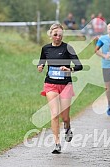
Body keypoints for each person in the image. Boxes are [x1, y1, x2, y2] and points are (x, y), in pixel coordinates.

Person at [37, 23, 83, 154]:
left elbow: (79, 66)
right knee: (54, 114)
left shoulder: (68, 48)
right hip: (50, 84)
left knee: (65, 117)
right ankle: (57, 143)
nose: (58, 37)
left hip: (65, 85)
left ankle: (67, 127)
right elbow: (41, 62)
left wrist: (70, 69)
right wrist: (40, 67)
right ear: (50, 34)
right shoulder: (45, 48)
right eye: (55, 35)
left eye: (60, 35)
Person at [95, 23, 110, 117]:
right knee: (108, 88)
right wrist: (104, 56)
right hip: (105, 66)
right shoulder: (102, 39)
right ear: (107, 29)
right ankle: (109, 103)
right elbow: (96, 50)